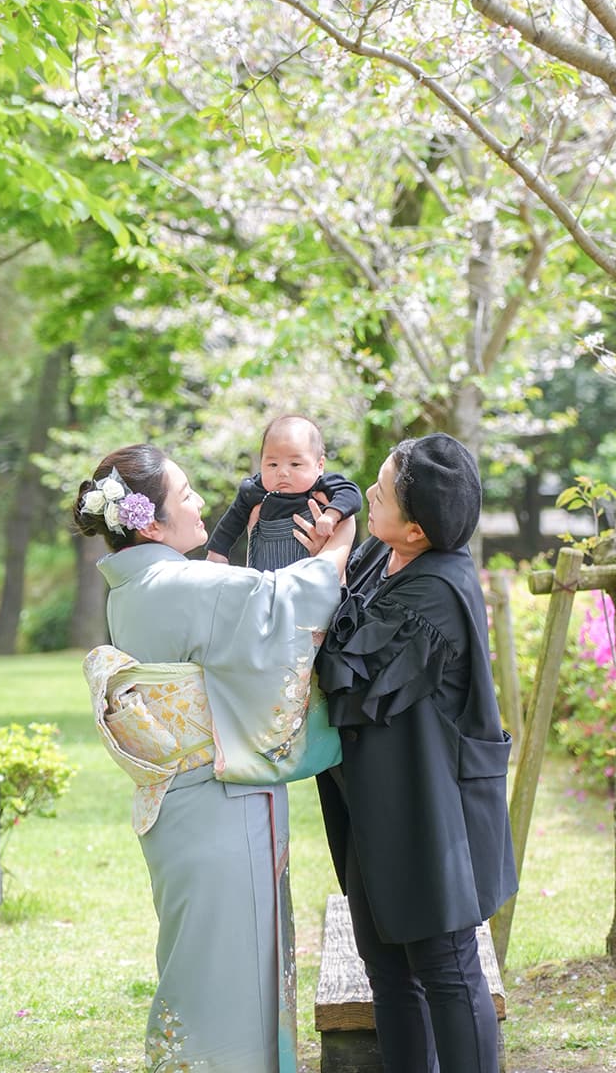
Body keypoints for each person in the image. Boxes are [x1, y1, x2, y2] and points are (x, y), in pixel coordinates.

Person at [74, 443, 353, 1073]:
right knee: (232, 965)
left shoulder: (136, 583)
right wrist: (337, 549)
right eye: (188, 494)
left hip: (181, 803)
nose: (201, 502)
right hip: (218, 801)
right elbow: (282, 601)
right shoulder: (174, 582)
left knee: (202, 959)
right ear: (149, 521)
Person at [307, 432, 518, 1073]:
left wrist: (329, 566)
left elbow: (343, 674)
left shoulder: (437, 592)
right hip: (377, 801)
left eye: (383, 489)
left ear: (419, 528)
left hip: (432, 810)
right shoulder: (384, 554)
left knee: (446, 970)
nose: (367, 494)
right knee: (387, 968)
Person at [206, 413, 362, 570]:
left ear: (319, 465)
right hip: (264, 578)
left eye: (295, 464)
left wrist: (331, 515)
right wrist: (217, 552)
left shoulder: (322, 485)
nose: (282, 472)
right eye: (272, 464)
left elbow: (351, 493)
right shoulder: (255, 490)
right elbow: (230, 522)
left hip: (310, 580)